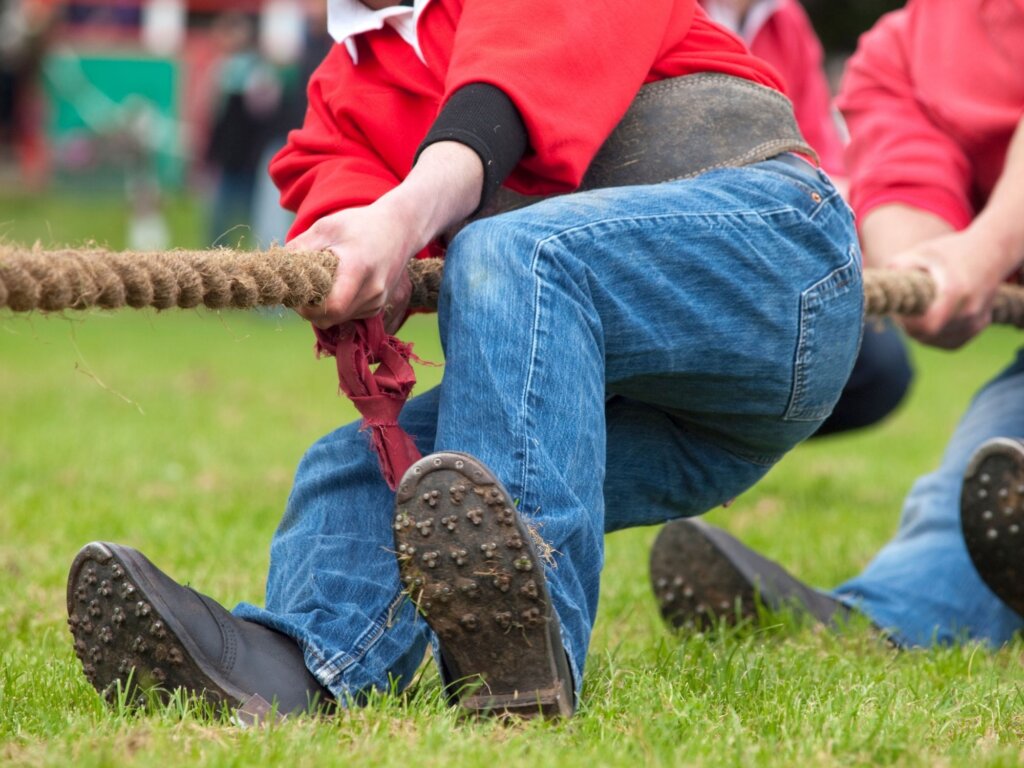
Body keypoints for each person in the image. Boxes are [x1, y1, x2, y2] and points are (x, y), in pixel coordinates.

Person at [66, 0, 864, 720]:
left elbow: (503, 94)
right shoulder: (340, 95)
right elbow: (335, 195)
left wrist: (403, 214)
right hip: (638, 400)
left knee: (513, 254)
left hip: (776, 273)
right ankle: (297, 663)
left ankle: (518, 649)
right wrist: (347, 256)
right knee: (358, 467)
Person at [650, 0, 1024, 647]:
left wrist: (987, 247)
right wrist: (930, 273)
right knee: (990, 484)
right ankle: (875, 622)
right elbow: (907, 192)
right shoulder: (899, 55)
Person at [700, 0, 913, 438]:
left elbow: (820, 153)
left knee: (878, 367)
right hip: (698, 246)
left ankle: (701, 459)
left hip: (776, 252)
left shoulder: (786, 20)